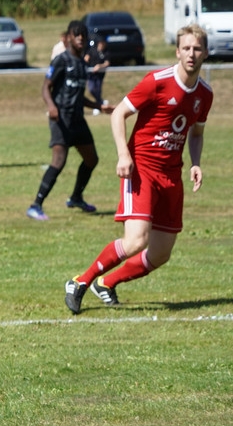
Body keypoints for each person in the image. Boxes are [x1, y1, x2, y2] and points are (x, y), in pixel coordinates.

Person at [64, 25, 212, 314]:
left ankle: (106, 283)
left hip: (171, 175)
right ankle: (80, 281)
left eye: (197, 49)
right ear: (177, 52)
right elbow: (119, 113)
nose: (191, 54)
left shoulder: (204, 94)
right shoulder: (157, 81)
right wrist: (123, 155)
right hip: (141, 169)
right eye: (186, 48)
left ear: (205, 53)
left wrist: (195, 163)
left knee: (160, 254)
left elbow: (196, 133)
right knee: (136, 240)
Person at [26, 21, 113, 222]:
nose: (80, 38)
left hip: (77, 119)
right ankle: (35, 205)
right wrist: (51, 106)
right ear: (69, 38)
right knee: (59, 161)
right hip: (61, 119)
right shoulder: (61, 60)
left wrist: (100, 106)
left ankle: (76, 198)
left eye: (83, 35)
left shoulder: (82, 64)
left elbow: (79, 96)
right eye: (76, 34)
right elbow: (45, 87)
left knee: (91, 159)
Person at [85, 35, 110, 116]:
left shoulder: (105, 52)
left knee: (98, 90)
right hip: (91, 74)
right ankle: (101, 103)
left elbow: (107, 63)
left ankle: (98, 106)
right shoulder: (92, 50)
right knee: (91, 89)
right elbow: (86, 58)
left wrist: (99, 66)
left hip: (99, 75)